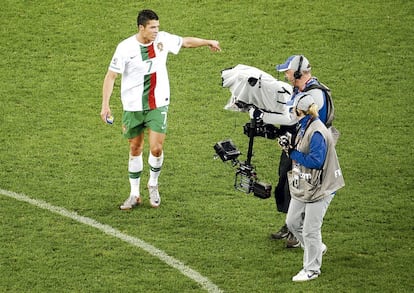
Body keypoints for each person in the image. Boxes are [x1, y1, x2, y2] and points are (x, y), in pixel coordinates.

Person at [101, 9, 221, 209]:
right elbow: (111, 76)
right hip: (133, 106)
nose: (157, 30)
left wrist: (208, 41)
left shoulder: (162, 40)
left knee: (156, 148)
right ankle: (134, 194)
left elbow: (185, 42)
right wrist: (105, 104)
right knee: (135, 148)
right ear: (141, 28)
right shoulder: (125, 48)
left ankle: (153, 184)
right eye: (152, 27)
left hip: (158, 103)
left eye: (157, 26)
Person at [269, 55, 333, 248]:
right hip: (298, 142)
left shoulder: (314, 95)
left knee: (306, 187)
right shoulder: (303, 90)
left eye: (288, 71)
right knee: (289, 181)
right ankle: (292, 225)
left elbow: (291, 118)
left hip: (312, 146)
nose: (286, 75)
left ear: (298, 73)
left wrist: (262, 116)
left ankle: (301, 233)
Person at [280, 93, 344, 282]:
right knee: (292, 222)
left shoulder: (316, 131)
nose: (291, 111)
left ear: (302, 112)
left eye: (294, 109)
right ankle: (317, 247)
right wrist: (289, 146)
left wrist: (292, 153)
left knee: (310, 229)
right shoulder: (305, 125)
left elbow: (316, 161)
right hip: (307, 185)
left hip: (321, 187)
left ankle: (312, 269)